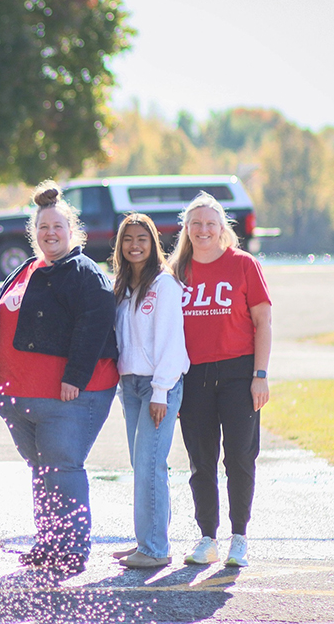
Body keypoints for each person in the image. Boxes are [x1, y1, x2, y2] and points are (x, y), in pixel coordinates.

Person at [0, 180, 118, 577]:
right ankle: (49, 543)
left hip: (68, 395)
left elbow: (95, 325)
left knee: (62, 468)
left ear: (73, 231)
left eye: (58, 227)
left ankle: (73, 548)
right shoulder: (27, 269)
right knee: (44, 471)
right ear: (34, 233)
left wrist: (75, 378)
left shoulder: (82, 271)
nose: (50, 234)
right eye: (43, 228)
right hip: (20, 395)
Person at [170, 192, 272, 568]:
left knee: (241, 458)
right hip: (192, 376)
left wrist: (260, 375)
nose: (203, 230)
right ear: (186, 229)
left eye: (210, 223)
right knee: (201, 460)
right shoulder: (176, 271)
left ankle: (239, 536)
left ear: (222, 228)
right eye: (195, 223)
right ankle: (207, 537)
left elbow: (263, 322)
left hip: (238, 373)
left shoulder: (243, 265)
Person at [110, 213, 189, 568]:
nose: (135, 245)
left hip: (160, 386)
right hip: (131, 385)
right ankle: (148, 540)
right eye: (128, 239)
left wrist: (160, 391)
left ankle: (155, 549)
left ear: (153, 242)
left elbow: (172, 342)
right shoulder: (123, 287)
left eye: (142, 238)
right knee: (141, 466)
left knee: (149, 465)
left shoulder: (164, 285)